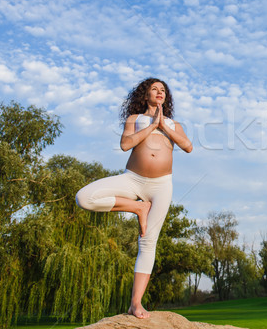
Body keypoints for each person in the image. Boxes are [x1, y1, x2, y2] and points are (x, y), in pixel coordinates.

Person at [75, 77, 193, 318]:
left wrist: (164, 126)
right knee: (84, 197)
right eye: (154, 89)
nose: (159, 92)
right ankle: (137, 208)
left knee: (148, 242)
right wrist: (151, 126)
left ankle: (135, 303)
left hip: (161, 186)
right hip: (132, 179)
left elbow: (188, 146)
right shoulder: (134, 120)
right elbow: (125, 145)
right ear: (145, 95)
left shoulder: (173, 124)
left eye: (163, 90)